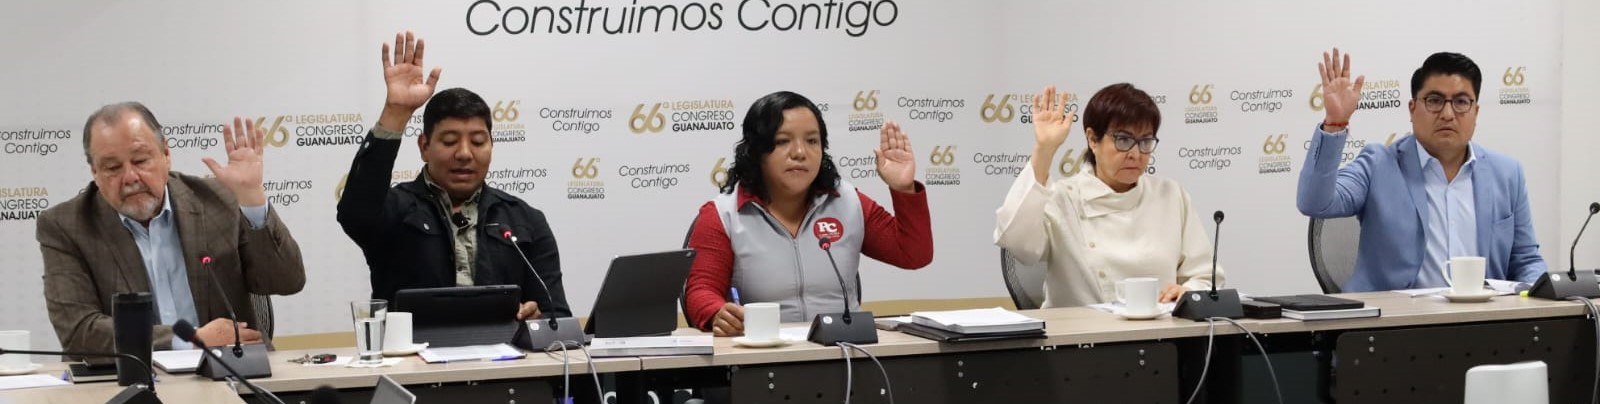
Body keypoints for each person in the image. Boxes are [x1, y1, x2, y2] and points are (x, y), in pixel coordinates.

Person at [38, 102, 305, 354]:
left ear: (166, 155)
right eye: (112, 167)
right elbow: (79, 332)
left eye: (141, 160)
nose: (130, 177)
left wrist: (252, 199)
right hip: (132, 383)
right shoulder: (66, 225)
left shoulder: (219, 200)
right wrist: (189, 340)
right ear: (94, 172)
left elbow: (286, 281)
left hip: (232, 374)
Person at [337, 31, 568, 320]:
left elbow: (557, 315)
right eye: (449, 141)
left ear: (492, 146)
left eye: (478, 141)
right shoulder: (395, 209)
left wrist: (539, 319)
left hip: (503, 360)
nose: (464, 153)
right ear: (424, 147)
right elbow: (355, 213)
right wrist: (395, 113)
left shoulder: (524, 220)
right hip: (412, 361)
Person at [683, 91, 933, 336]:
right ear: (757, 152)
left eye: (812, 141)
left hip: (846, 353)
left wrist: (903, 189)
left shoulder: (847, 201)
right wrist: (718, 313)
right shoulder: (723, 214)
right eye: (783, 141)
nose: (800, 152)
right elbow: (700, 291)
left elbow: (913, 254)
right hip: (763, 358)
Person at [1297, 49, 1547, 291]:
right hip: (1394, 324)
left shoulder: (1507, 174)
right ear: (1412, 108)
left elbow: (1526, 260)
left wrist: (1541, 294)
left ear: (1475, 112)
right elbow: (1314, 203)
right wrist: (1335, 124)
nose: (1448, 114)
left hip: (1480, 322)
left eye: (1461, 102)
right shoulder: (1378, 164)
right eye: (1435, 101)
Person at [995, 84, 1222, 308]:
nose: (1135, 154)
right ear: (1093, 139)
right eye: (1123, 140)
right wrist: (1044, 149)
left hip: (1162, 335)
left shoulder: (1170, 195)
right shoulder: (1064, 197)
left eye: (1145, 142)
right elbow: (1018, 244)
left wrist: (1187, 292)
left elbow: (1205, 277)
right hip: (1083, 337)